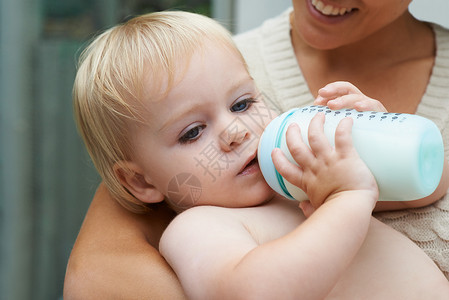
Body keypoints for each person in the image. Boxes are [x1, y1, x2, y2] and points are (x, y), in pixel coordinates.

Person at [64, 1, 449, 298]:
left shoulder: (296, 179)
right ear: (141, 181)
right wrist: (347, 198)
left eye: (242, 104)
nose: (235, 131)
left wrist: (377, 142)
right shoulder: (197, 230)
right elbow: (255, 293)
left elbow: (428, 187)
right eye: (193, 131)